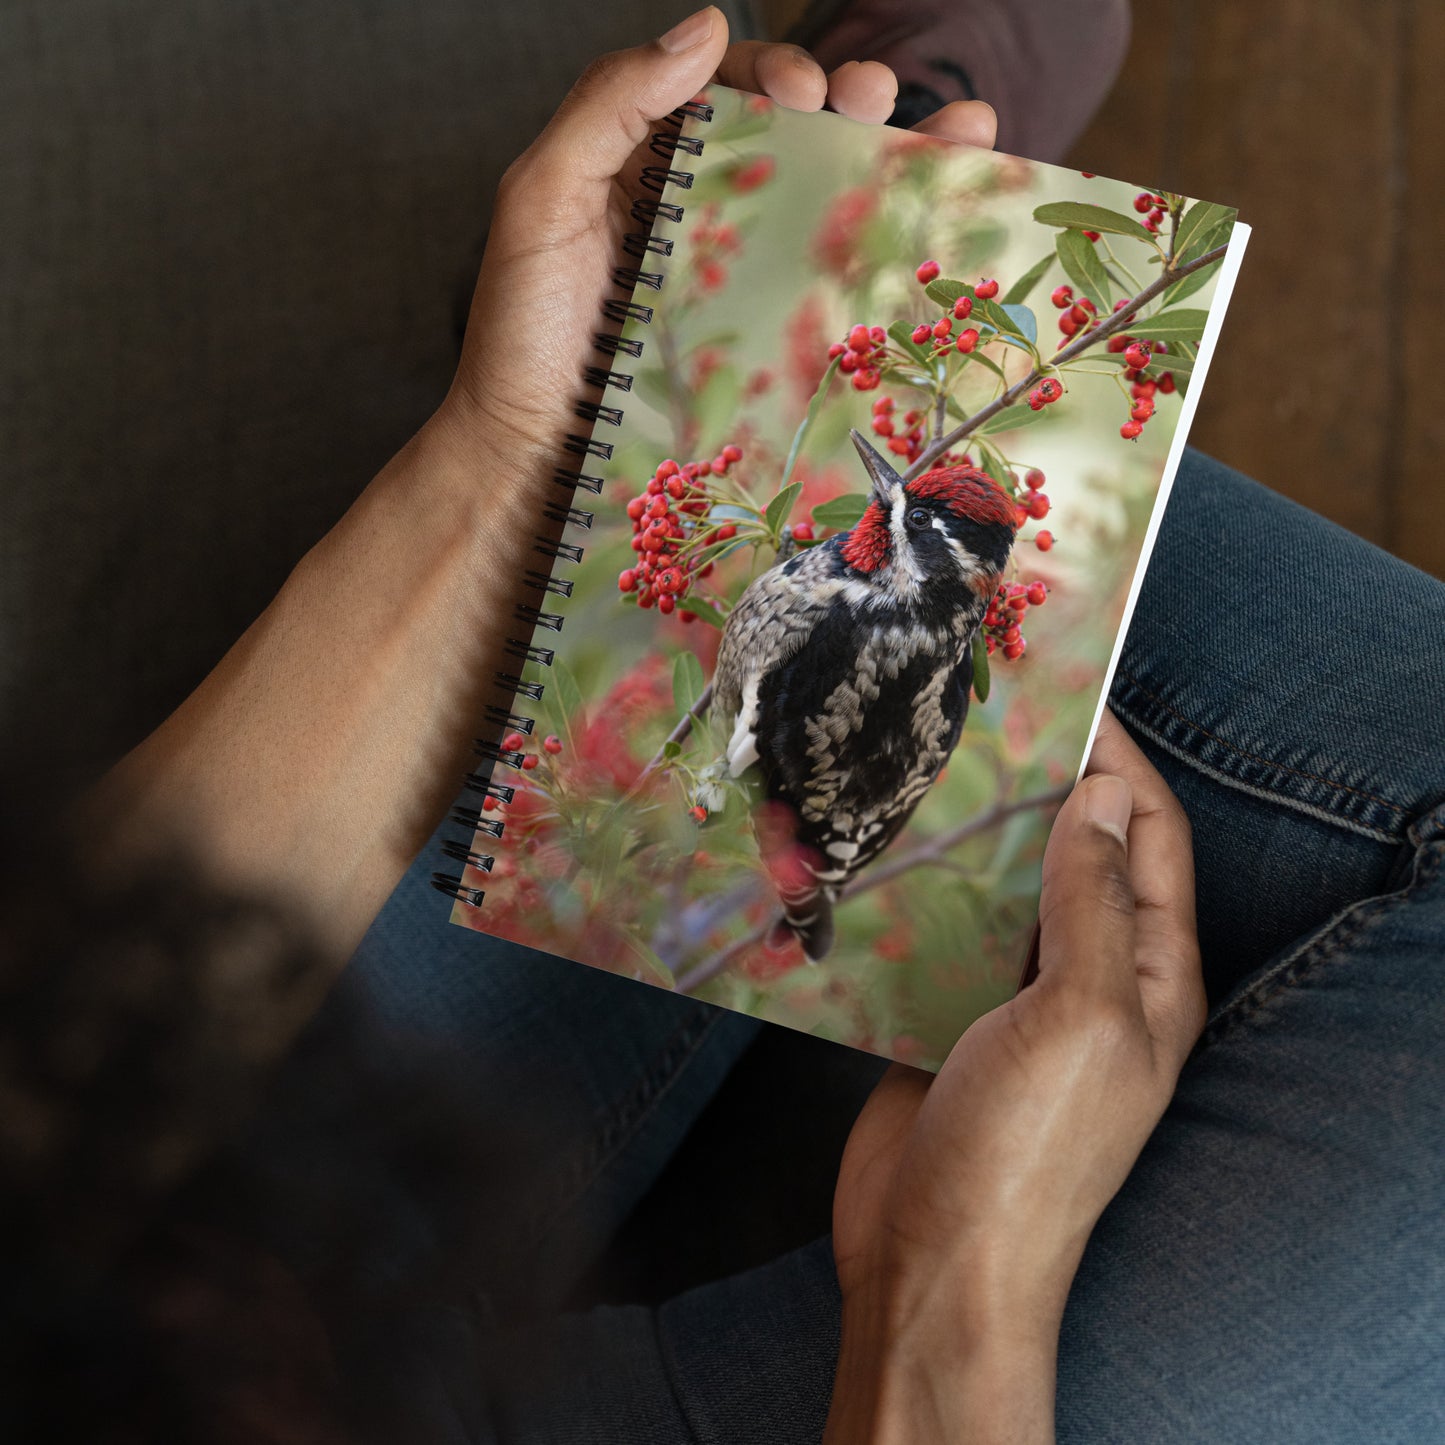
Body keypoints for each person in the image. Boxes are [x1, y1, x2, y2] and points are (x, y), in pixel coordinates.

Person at [6, 8, 1442, 1442]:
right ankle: (829, 255)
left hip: (152, 1283)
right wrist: (947, 1298)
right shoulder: (865, 617)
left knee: (648, 545)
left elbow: (48, 1077)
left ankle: (756, 295)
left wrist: (504, 465)